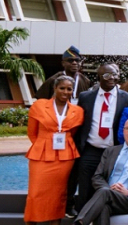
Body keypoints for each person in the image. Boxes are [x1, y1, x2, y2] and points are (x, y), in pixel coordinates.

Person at [70, 64, 128, 225]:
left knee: (107, 193)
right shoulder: (86, 97)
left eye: (116, 73)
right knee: (85, 198)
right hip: (90, 152)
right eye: (107, 74)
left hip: (114, 152)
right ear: (98, 76)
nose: (112, 77)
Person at [20, 76, 84, 225]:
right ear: (55, 88)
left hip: (65, 157)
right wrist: (45, 145)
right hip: (41, 154)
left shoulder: (78, 111)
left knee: (58, 196)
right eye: (62, 88)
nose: (66, 92)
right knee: (34, 195)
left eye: (69, 89)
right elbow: (32, 132)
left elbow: (72, 133)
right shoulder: (39, 105)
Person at [34, 46, 90, 216]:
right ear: (62, 63)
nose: (74, 63)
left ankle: (68, 204)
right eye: (70, 60)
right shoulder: (54, 80)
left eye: (77, 60)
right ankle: (52, 203)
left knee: (74, 171)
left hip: (77, 131)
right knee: (56, 173)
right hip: (57, 133)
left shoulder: (85, 81)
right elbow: (40, 105)